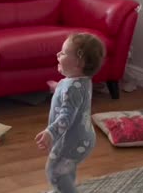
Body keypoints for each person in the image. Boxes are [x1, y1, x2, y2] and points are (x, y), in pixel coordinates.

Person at [35, 33, 106, 193]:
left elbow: (66, 118)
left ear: (78, 63)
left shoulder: (71, 89)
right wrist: (58, 88)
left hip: (72, 141)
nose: (58, 55)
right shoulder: (82, 80)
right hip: (83, 138)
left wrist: (50, 132)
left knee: (55, 170)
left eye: (64, 53)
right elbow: (75, 97)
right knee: (66, 167)